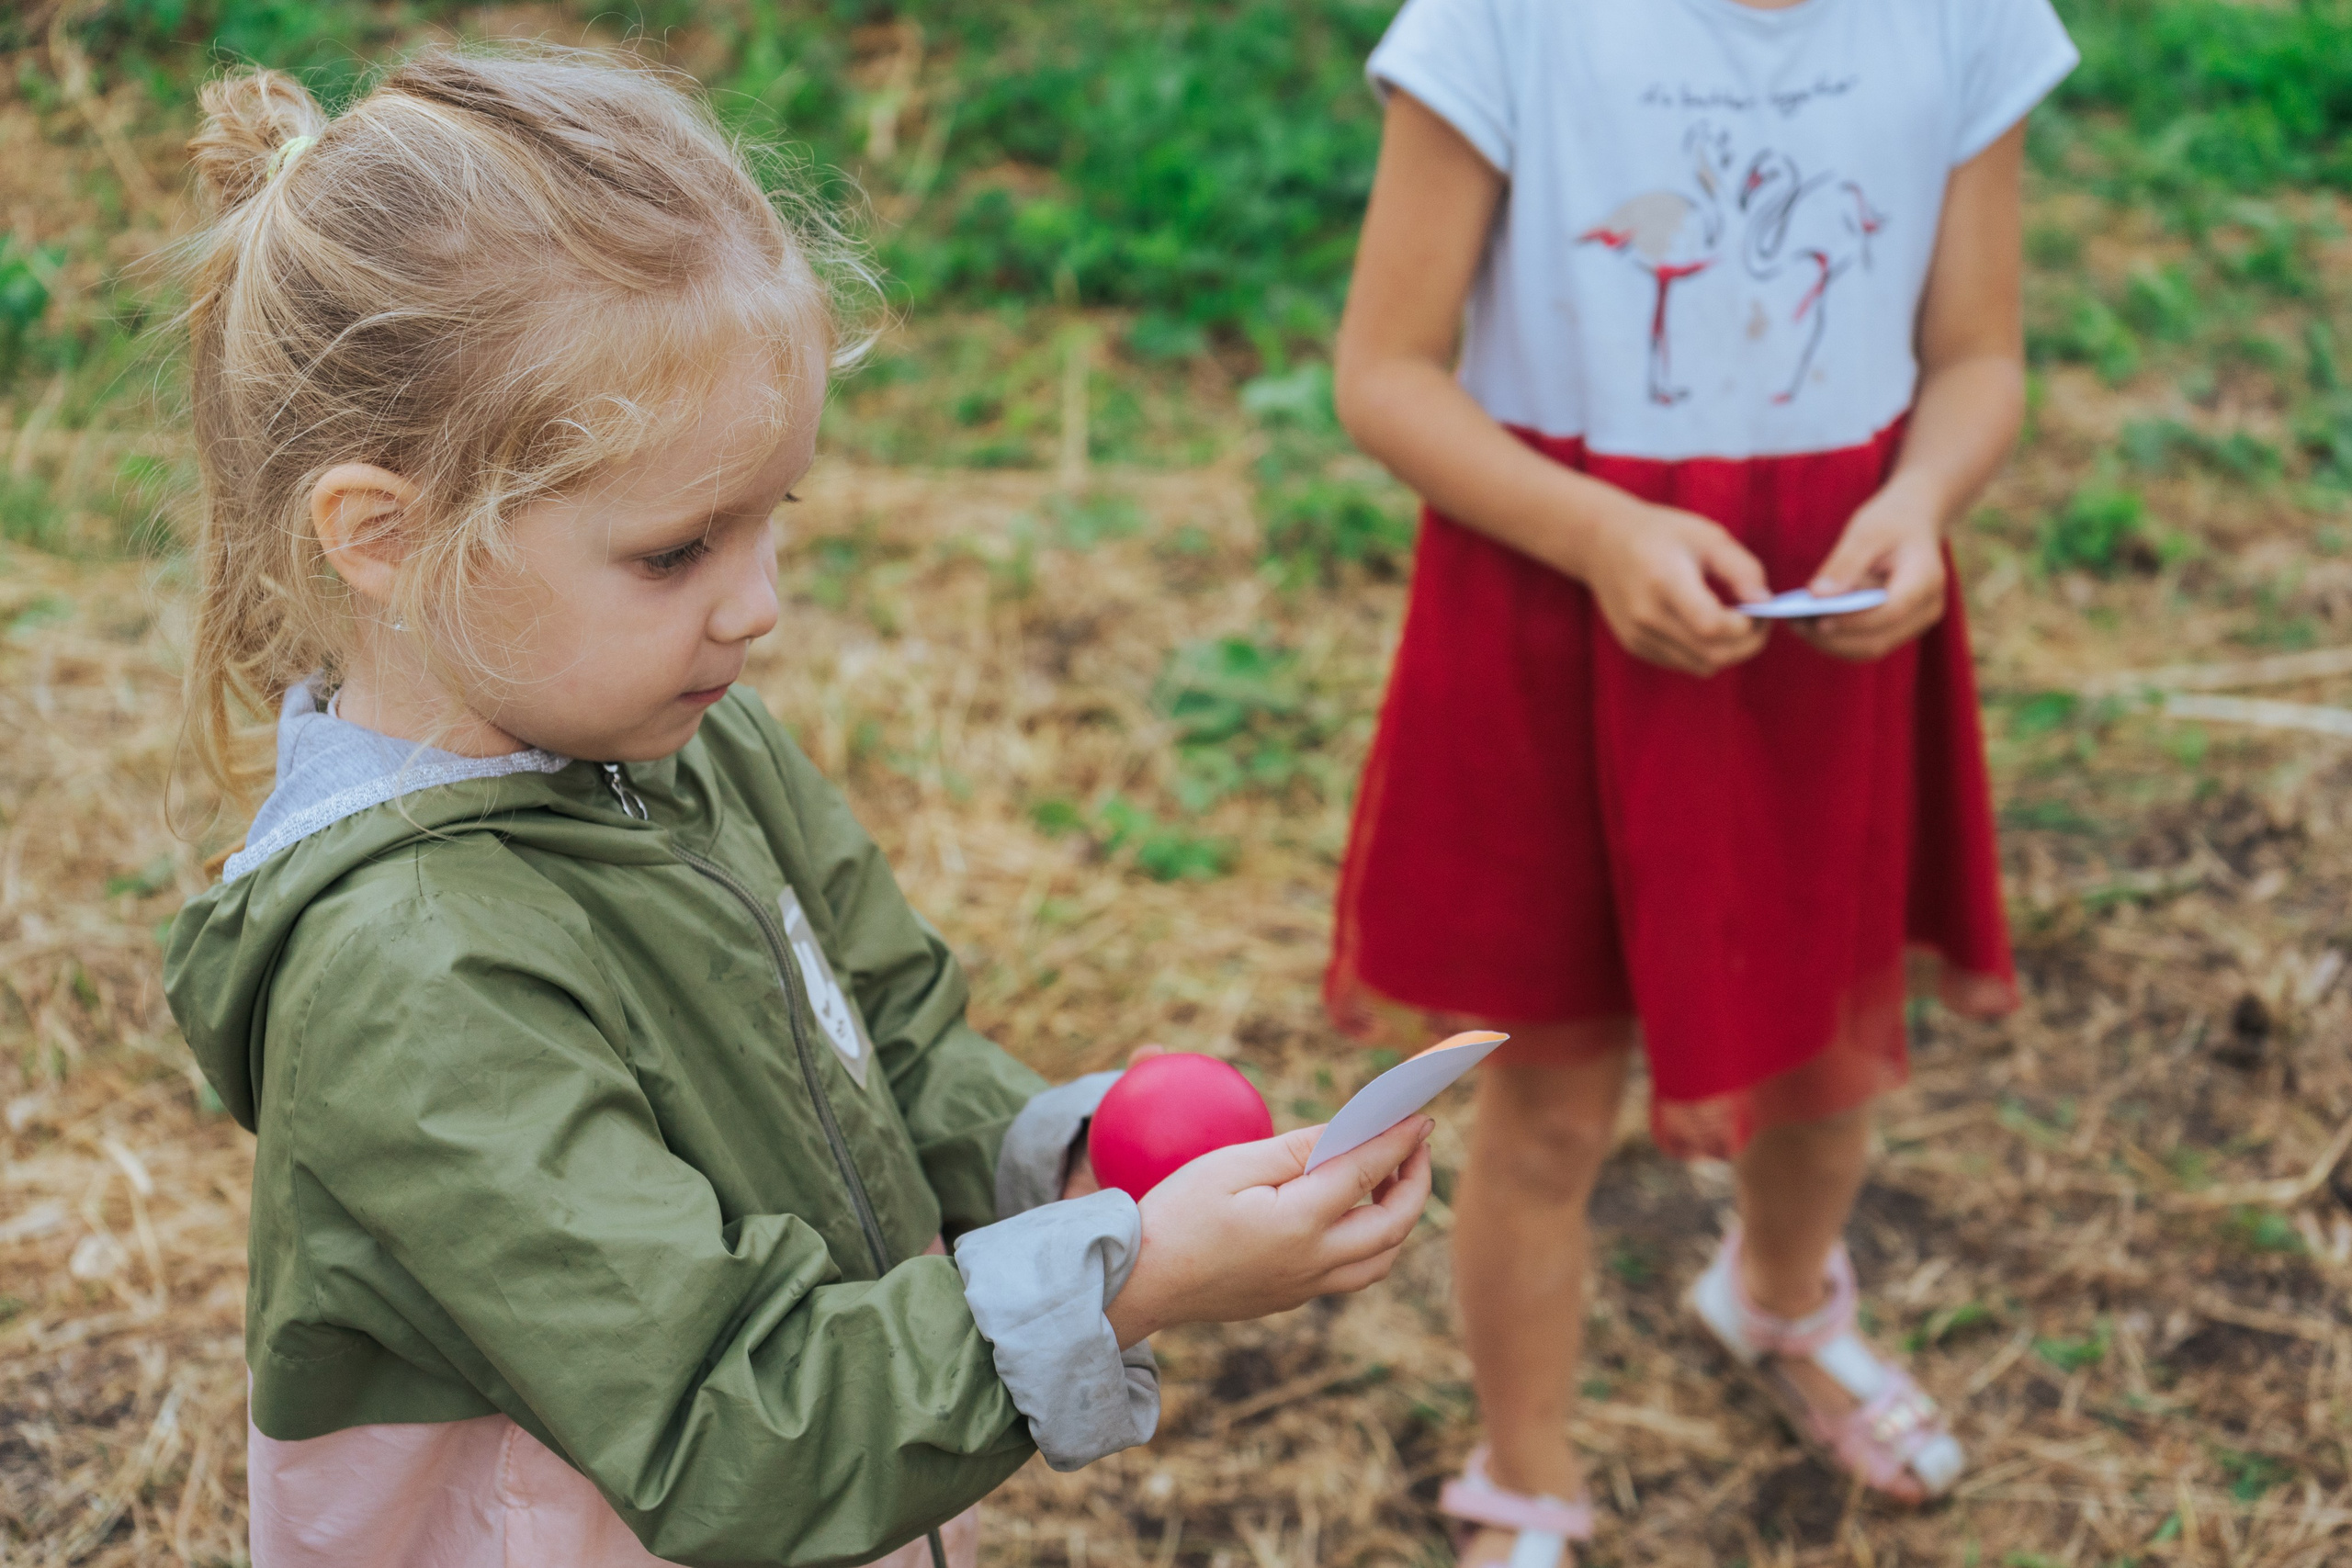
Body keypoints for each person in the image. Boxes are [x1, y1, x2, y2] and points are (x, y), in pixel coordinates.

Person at [162, 47, 1433, 1568]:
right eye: (676, 551)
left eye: (776, 520)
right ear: (386, 535)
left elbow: (885, 1036)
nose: (757, 606)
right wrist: (1123, 1279)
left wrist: (1066, 1164)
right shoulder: (411, 974)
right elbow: (722, 1426)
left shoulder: (683, 741)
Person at [1325, 0, 2076, 1559]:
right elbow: (1385, 375)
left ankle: (1781, 1301)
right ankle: (1525, 1471)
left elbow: (1979, 356)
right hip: (1556, 602)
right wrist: (1601, 535)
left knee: (1824, 1038)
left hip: (1818, 621)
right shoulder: (1500, 25)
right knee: (1541, 1107)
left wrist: (1925, 501)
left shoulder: (1964, 21)